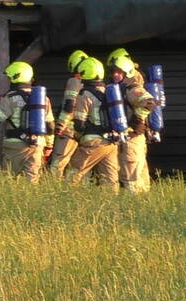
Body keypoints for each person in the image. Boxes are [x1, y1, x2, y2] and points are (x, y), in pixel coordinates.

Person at [0, 61, 53, 183]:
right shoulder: (44, 99)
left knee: (7, 179)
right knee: (32, 182)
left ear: (15, 77)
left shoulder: (10, 97)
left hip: (15, 145)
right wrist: (49, 146)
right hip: (37, 144)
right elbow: (50, 126)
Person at [64, 57, 119, 190]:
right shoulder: (109, 91)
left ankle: (70, 204)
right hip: (111, 142)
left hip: (93, 142)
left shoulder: (84, 94)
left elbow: (79, 124)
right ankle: (114, 207)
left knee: (72, 174)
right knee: (110, 180)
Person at [107, 54, 156, 193]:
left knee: (131, 178)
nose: (115, 75)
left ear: (127, 72)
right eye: (113, 72)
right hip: (130, 139)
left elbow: (150, 102)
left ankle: (134, 207)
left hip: (132, 140)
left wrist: (137, 120)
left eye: (119, 72)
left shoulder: (132, 89)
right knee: (139, 177)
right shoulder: (119, 89)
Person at [48, 49, 88, 177]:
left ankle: (54, 188)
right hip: (85, 131)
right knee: (80, 166)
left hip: (69, 130)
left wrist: (60, 126)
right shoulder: (92, 83)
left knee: (57, 164)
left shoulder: (74, 81)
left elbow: (69, 106)